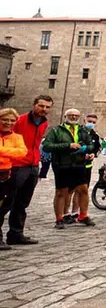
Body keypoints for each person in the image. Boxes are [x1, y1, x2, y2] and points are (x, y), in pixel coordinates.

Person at [6, 95, 52, 244]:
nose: (44, 109)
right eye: (41, 106)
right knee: (7, 201)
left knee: (23, 202)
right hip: (17, 165)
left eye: (47, 107)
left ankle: (16, 234)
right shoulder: (19, 121)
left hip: (33, 166)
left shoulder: (44, 123)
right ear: (34, 105)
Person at [42, 108, 96, 229]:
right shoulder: (56, 131)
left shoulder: (83, 131)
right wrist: (67, 146)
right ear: (65, 116)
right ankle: (59, 218)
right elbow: (46, 146)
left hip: (79, 164)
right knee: (62, 192)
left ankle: (83, 215)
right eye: (70, 115)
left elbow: (91, 145)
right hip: (62, 165)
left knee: (83, 190)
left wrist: (86, 149)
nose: (73, 117)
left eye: (76, 115)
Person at [0, 108, 28, 250]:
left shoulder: (17, 137)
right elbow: (16, 152)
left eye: (12, 120)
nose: (8, 123)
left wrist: (2, 151)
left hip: (7, 175)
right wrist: (10, 153)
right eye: (5, 119)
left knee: (4, 206)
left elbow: (22, 152)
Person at [65, 113, 101, 223]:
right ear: (84, 120)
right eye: (90, 121)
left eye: (94, 122)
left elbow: (97, 148)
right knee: (70, 190)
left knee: (82, 191)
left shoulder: (95, 136)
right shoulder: (77, 132)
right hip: (75, 165)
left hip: (87, 166)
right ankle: (66, 214)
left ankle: (76, 212)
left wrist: (93, 154)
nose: (91, 124)